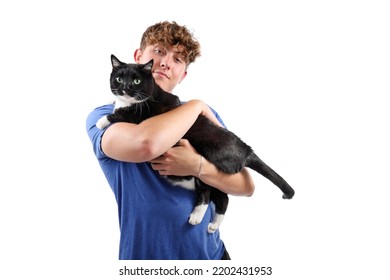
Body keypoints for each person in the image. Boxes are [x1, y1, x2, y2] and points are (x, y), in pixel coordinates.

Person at [86, 21, 255, 260]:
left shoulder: (202, 116)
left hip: (212, 258)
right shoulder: (103, 116)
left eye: (178, 59)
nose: (166, 62)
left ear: (182, 74)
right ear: (138, 57)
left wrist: (198, 167)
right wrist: (197, 105)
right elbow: (146, 144)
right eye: (158, 51)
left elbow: (245, 184)